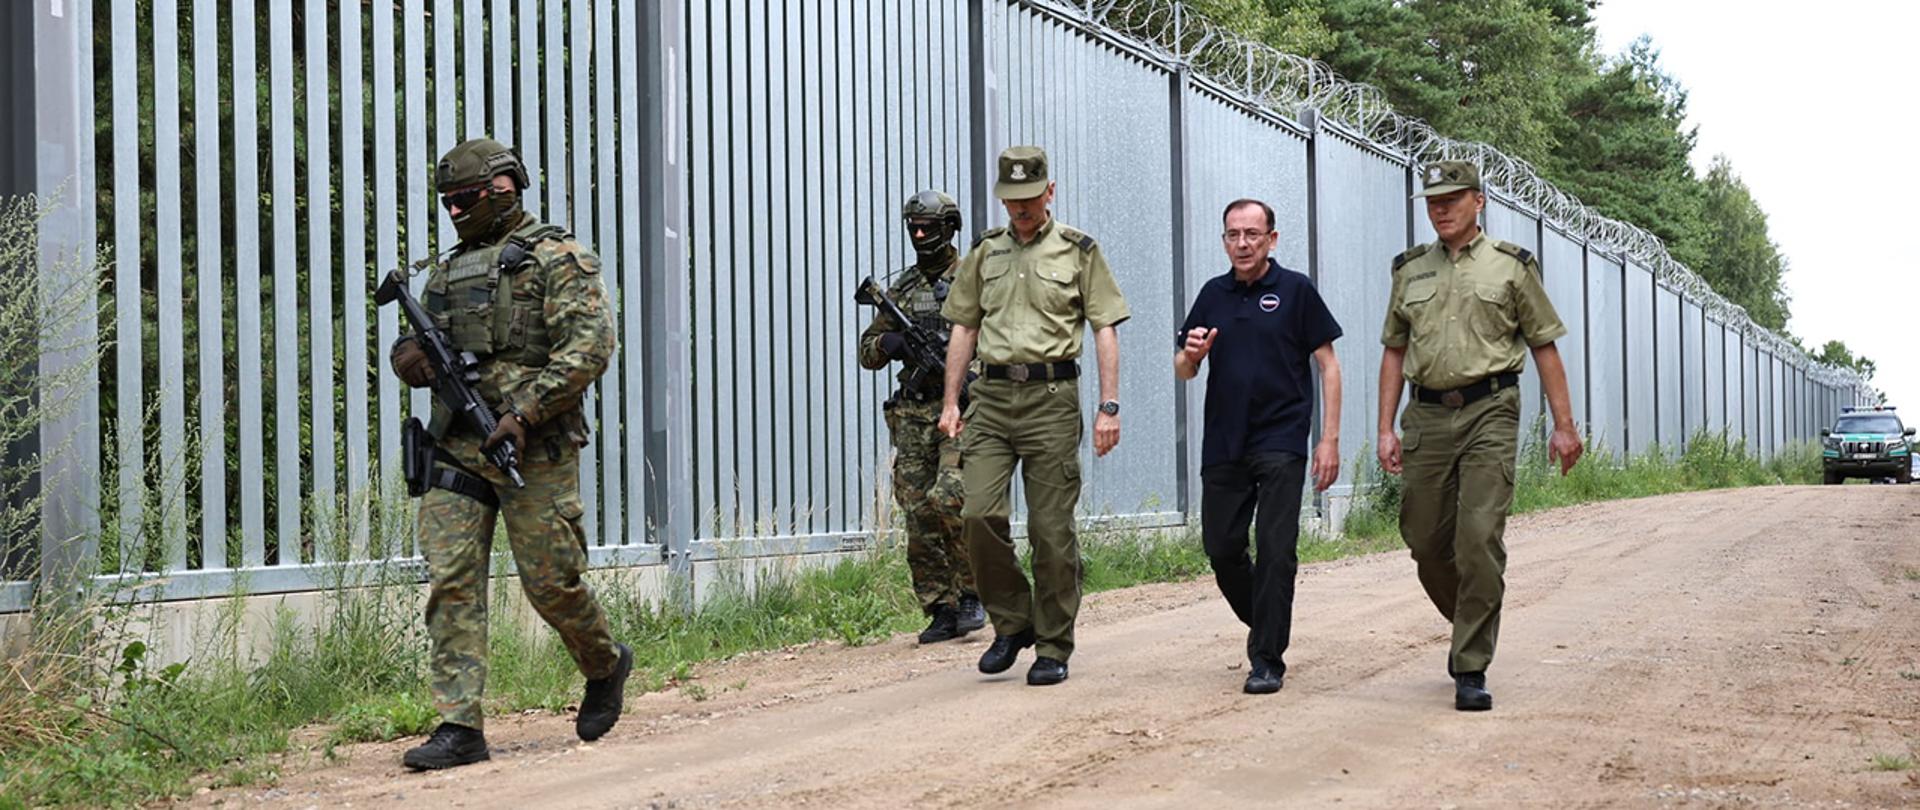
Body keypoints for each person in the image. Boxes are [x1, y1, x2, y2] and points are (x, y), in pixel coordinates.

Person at [389, 137, 633, 769]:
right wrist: (408, 360)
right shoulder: (447, 269)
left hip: (535, 447)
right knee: (451, 582)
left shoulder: (558, 258)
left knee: (550, 584)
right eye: (446, 202)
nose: (454, 211)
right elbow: (414, 345)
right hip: (457, 446)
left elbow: (591, 347)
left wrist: (524, 411)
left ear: (504, 189)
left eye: (464, 199)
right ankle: (459, 726)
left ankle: (604, 663)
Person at [1375, 160, 1583, 712]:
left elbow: (1544, 345)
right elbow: (1393, 351)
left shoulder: (1511, 268)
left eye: (1452, 199)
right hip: (1425, 417)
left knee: (1478, 536)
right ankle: (1470, 616)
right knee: (1424, 540)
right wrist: (1383, 428)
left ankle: (1471, 663)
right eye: (1432, 201)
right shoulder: (1409, 271)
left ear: (1479, 202)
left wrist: (1564, 426)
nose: (1440, 209)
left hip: (1491, 409)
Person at [938, 145, 1129, 686]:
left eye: (1029, 199)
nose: (1020, 210)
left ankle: (1052, 644)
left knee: (1050, 530)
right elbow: (964, 328)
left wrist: (1108, 406)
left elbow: (1105, 328)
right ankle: (1012, 621)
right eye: (1011, 201)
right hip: (992, 399)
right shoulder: (985, 252)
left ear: (1048, 192)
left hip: (1051, 399)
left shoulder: (1078, 251)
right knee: (977, 514)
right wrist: (953, 401)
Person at [1174, 198, 1343, 695]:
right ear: (1224, 239)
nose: (1242, 243)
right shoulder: (1213, 293)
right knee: (1222, 547)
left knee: (1275, 549)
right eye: (1233, 234)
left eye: (1252, 234)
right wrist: (1190, 356)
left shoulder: (1295, 291)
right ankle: (1267, 622)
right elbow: (1185, 369)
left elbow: (1328, 365)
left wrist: (1327, 440)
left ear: (1272, 238)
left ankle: (1266, 658)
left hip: (1281, 438)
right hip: (1224, 439)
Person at [857, 190, 987, 644]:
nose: (919, 235)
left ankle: (974, 592)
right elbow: (867, 351)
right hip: (913, 414)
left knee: (950, 497)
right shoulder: (904, 289)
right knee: (916, 510)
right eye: (913, 227)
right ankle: (940, 607)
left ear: (948, 228)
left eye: (927, 228)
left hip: (962, 409)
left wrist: (969, 376)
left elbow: (996, 339)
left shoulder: (972, 279)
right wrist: (892, 345)